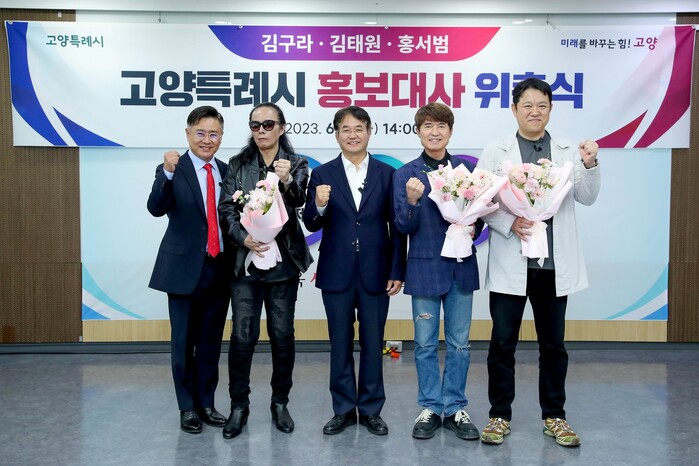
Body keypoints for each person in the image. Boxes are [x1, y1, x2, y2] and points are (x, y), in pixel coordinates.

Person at [477, 78, 601, 447]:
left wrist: (590, 164)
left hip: (552, 266)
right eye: (527, 105)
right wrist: (509, 222)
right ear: (514, 109)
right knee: (502, 344)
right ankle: (499, 415)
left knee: (553, 346)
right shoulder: (496, 151)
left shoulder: (567, 151)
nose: (535, 112)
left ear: (550, 109)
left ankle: (555, 416)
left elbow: (586, 196)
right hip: (511, 262)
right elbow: (481, 201)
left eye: (542, 105)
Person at [303, 106, 406, 436]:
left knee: (374, 343)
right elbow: (311, 222)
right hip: (337, 271)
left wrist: (397, 270)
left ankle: (372, 409)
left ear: (369, 132)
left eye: (358, 128)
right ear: (336, 134)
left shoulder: (386, 174)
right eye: (345, 129)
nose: (352, 135)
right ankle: (344, 409)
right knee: (340, 343)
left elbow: (397, 227)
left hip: (377, 271)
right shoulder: (323, 174)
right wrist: (319, 204)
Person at [218, 102, 313, 440]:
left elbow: (299, 200)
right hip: (245, 262)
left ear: (282, 128)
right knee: (243, 336)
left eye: (268, 124)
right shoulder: (238, 163)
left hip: (283, 263)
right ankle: (238, 406)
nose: (261, 131)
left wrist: (286, 180)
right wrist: (242, 237)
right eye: (255, 125)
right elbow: (226, 208)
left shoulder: (297, 163)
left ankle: (279, 403)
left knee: (281, 334)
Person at [392, 102, 482, 441]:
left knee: (460, 344)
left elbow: (480, 217)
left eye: (441, 126)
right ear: (418, 132)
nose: (434, 132)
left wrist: (473, 228)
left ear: (450, 131)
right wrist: (412, 202)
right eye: (428, 126)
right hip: (424, 269)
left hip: (461, 267)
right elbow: (402, 226)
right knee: (425, 344)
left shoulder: (466, 170)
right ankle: (430, 406)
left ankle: (455, 406)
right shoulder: (406, 174)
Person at [147, 105, 231, 434]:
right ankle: (187, 408)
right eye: (200, 133)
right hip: (183, 269)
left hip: (219, 268)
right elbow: (155, 208)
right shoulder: (172, 168)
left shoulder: (227, 171)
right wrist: (166, 174)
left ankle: (206, 403)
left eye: (214, 134)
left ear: (221, 137)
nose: (207, 140)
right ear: (188, 134)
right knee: (183, 342)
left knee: (210, 341)